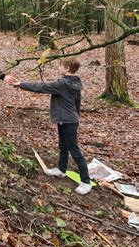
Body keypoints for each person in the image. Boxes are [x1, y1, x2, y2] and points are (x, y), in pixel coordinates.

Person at [10, 57, 92, 195]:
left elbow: (41, 87)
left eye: (60, 66)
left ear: (67, 68)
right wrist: (76, 116)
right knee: (63, 147)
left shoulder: (62, 83)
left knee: (75, 151)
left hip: (68, 121)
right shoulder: (76, 82)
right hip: (66, 119)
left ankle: (86, 182)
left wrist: (21, 84)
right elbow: (77, 102)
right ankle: (61, 170)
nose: (58, 68)